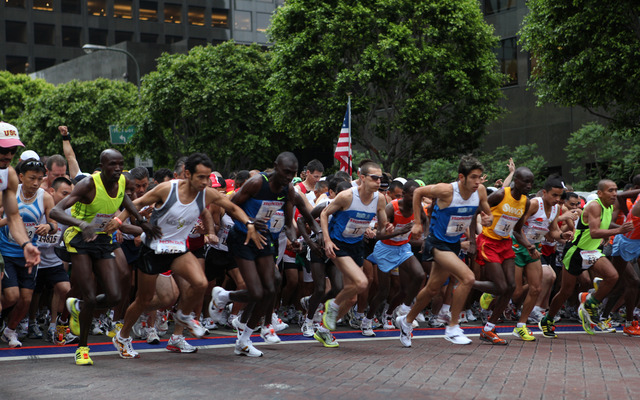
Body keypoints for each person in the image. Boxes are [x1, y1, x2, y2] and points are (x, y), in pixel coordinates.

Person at [111, 153, 262, 359]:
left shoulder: (207, 194)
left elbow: (233, 207)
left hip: (178, 249)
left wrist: (249, 224)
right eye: (201, 177)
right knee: (143, 299)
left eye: (208, 177)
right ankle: (122, 336)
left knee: (200, 283)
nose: (205, 182)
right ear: (187, 174)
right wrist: (118, 222)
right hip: (153, 249)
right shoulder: (167, 189)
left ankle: (182, 317)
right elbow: (136, 203)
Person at [50, 149, 157, 365]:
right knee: (90, 295)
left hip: (101, 240)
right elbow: (55, 211)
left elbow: (127, 203)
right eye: (112, 164)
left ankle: (78, 307)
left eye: (120, 164)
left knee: (116, 296)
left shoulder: (120, 185)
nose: (117, 168)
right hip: (79, 239)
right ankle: (82, 348)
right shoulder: (89, 184)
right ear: (102, 164)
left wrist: (143, 223)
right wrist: (81, 224)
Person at [210, 152, 307, 357]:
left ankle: (244, 341)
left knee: (272, 286)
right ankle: (224, 296)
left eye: (293, 173)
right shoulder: (256, 183)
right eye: (286, 172)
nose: (289, 177)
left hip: (265, 240)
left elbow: (288, 225)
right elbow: (230, 208)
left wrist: (294, 240)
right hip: (243, 238)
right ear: (275, 167)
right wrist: (251, 220)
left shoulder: (288, 189)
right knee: (256, 292)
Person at [396, 156, 492, 346]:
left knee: (432, 288)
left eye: (480, 177)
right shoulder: (446, 190)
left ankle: (405, 321)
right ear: (461, 177)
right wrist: (417, 222)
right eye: (473, 177)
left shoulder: (479, 190)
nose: (478, 182)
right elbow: (418, 193)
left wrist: (488, 218)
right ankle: (453, 327)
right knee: (468, 277)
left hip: (453, 244)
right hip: (437, 243)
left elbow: (486, 209)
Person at [539, 180, 633, 338]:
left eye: (616, 190)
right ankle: (547, 319)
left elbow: (602, 226)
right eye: (610, 190)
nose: (615, 193)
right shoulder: (594, 205)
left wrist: (613, 229)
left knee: (613, 276)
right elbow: (594, 232)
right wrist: (619, 230)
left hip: (593, 250)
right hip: (577, 251)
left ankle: (590, 302)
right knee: (566, 291)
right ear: (600, 193)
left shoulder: (608, 206)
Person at [319, 161, 390, 333]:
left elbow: (382, 226)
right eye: (374, 178)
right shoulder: (347, 196)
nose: (378, 182)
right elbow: (324, 214)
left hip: (356, 244)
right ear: (362, 177)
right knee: (362, 282)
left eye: (380, 179)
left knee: (351, 299)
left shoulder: (380, 199)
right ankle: (333, 304)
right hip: (338, 244)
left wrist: (386, 227)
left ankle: (324, 330)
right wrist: (327, 241)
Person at [473, 167, 534, 345]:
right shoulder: (500, 195)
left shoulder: (526, 202)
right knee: (501, 287)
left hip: (505, 244)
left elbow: (517, 230)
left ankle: (488, 329)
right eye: (526, 181)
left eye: (531, 182)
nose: (529, 185)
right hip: (489, 242)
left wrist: (529, 246)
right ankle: (468, 282)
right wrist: (471, 238)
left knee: (512, 287)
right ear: (516, 180)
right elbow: (476, 212)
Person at [510, 175, 573, 341]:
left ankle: (521, 326)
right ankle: (492, 295)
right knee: (515, 292)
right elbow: (517, 229)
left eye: (560, 196)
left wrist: (562, 235)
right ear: (544, 192)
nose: (557, 199)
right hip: (517, 247)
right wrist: (528, 246)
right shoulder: (533, 204)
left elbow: (552, 231)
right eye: (554, 195)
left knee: (536, 288)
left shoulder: (556, 209)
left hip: (534, 250)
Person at [0, 159, 54, 348]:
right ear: (21, 177)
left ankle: (10, 331)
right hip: (6, 252)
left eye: (40, 179)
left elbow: (54, 224)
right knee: (12, 296)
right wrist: (8, 221)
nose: (36, 183)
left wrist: (48, 226)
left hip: (30, 254)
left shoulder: (45, 197)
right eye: (32, 178)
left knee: (26, 299)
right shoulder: (8, 193)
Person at [364, 180, 425, 337]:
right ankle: (367, 320)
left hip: (403, 248)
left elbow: (426, 220)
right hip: (385, 249)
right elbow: (378, 235)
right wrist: (399, 231)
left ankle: (401, 310)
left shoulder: (418, 207)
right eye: (413, 195)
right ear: (404, 195)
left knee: (418, 276)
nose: (416, 199)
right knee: (383, 291)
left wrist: (427, 239)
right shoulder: (392, 208)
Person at [0, 122, 42, 329]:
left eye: (12, 150)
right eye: (3, 150)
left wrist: (26, 244)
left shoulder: (8, 175)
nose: (8, 155)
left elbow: (14, 216)